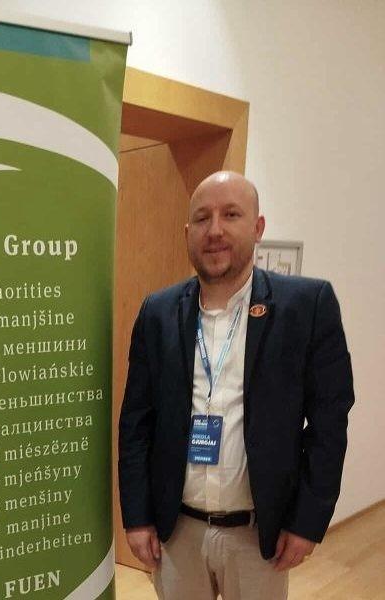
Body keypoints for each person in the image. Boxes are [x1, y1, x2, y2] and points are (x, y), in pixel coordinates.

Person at [118, 171, 354, 599]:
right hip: (177, 532)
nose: (215, 231)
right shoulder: (157, 312)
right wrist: (137, 517)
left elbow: (329, 424)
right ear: (187, 233)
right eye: (202, 218)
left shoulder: (307, 306)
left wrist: (307, 521)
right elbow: (136, 424)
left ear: (258, 227)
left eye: (231, 215)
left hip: (258, 537)